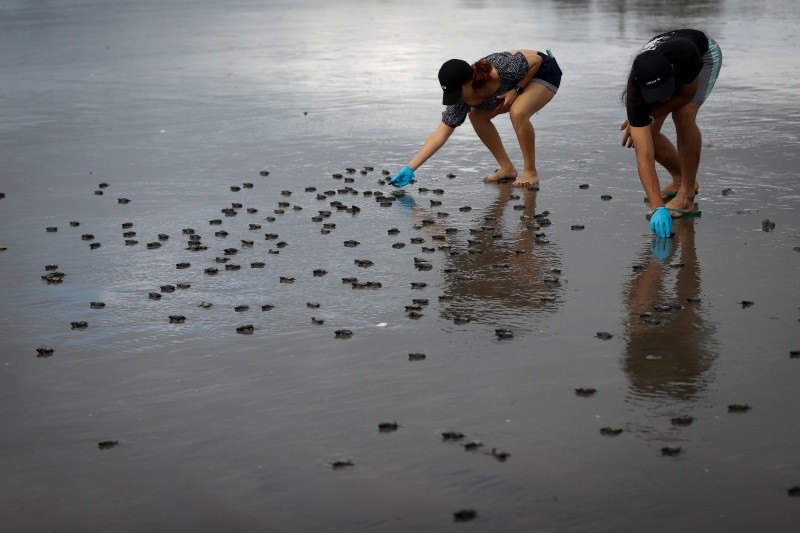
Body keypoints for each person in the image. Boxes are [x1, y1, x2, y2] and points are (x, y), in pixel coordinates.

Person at [390, 49, 562, 189]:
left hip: (542, 72)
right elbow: (440, 134)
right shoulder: (461, 101)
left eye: (457, 92)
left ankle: (530, 172)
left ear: (469, 81)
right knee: (476, 115)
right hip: (514, 85)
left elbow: (536, 60)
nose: (456, 98)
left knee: (518, 112)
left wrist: (517, 90)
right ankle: (507, 168)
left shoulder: (498, 70)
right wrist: (410, 169)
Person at [620, 29, 722, 238]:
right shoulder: (635, 94)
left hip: (703, 54)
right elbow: (644, 156)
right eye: (656, 95)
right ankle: (680, 179)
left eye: (665, 91)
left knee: (683, 115)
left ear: (673, 70)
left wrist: (648, 116)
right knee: (645, 135)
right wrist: (658, 207)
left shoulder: (686, 58)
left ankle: (687, 195)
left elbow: (685, 95)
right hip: (664, 67)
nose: (664, 98)